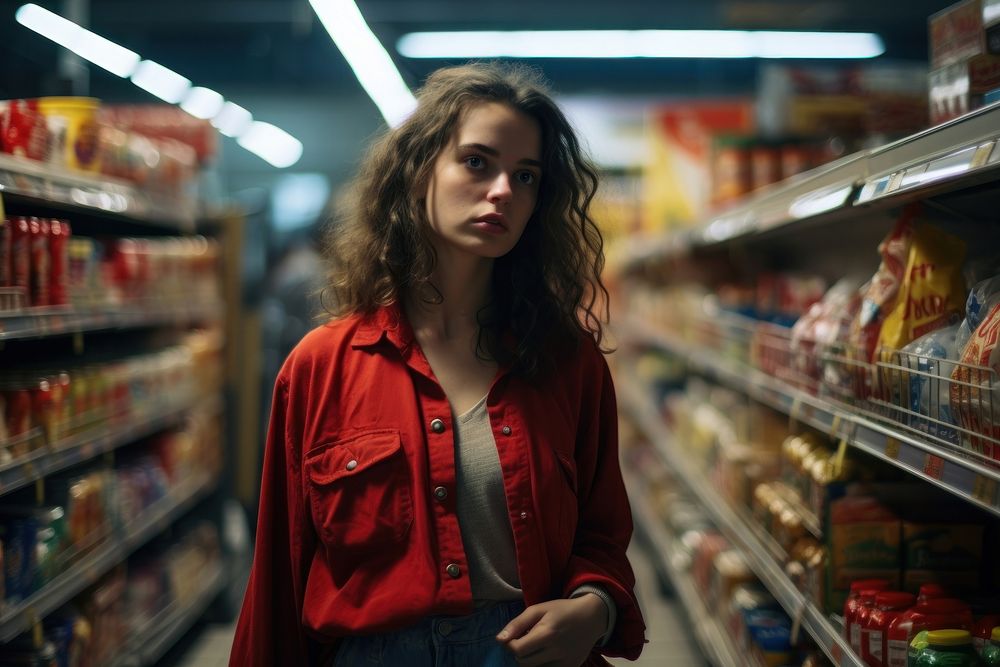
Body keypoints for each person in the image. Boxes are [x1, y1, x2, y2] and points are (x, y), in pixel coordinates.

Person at [229, 62, 646, 667]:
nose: (503, 190)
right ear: (419, 169)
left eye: (525, 175)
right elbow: (278, 577)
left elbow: (603, 535)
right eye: (477, 162)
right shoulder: (321, 366)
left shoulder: (566, 363)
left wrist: (597, 607)